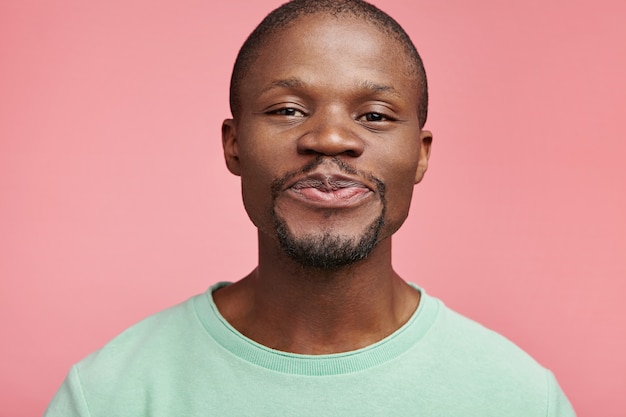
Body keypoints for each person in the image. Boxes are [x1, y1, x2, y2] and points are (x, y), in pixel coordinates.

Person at [44, 1, 576, 415]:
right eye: (288, 109)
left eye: (374, 116)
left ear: (420, 153)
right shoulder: (107, 395)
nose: (330, 138)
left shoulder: (519, 398)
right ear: (233, 144)